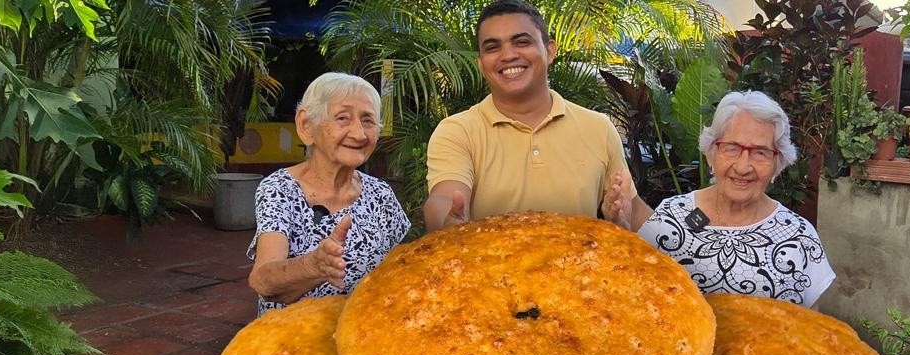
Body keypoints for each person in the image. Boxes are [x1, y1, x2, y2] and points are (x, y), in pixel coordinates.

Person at [423, 0, 649, 231]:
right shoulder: (457, 131)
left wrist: (626, 218)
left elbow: (633, 208)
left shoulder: (599, 128)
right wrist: (448, 225)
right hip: (487, 266)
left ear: (550, 51)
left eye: (521, 42)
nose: (508, 55)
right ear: (481, 64)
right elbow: (443, 198)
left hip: (580, 266)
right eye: (492, 47)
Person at [603, 90, 835, 308]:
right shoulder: (672, 218)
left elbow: (811, 331)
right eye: (732, 148)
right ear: (711, 153)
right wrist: (620, 235)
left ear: (778, 163)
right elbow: (635, 293)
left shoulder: (799, 236)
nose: (743, 167)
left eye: (760, 153)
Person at [247, 72, 410, 316]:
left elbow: (399, 270)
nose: (359, 134)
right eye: (343, 118)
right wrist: (314, 265)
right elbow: (263, 281)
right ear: (306, 125)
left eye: (368, 121)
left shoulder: (381, 194)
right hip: (292, 340)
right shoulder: (281, 189)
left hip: (358, 335)